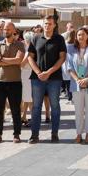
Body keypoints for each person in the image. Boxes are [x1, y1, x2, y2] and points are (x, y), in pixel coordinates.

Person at [27, 15, 67, 144]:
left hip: (54, 78)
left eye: (50, 24)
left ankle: (54, 134)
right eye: (45, 23)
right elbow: (30, 57)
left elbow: (62, 58)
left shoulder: (59, 39)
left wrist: (49, 72)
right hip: (37, 78)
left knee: (55, 106)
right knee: (36, 107)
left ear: (54, 25)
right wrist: (39, 72)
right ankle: (34, 135)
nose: (47, 26)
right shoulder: (36, 38)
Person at [0, 22, 25, 144]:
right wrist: (7, 61)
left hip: (15, 81)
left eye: (8, 29)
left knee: (15, 109)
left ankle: (16, 134)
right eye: (4, 29)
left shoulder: (20, 44)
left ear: (14, 30)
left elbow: (19, 60)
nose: (6, 31)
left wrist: (2, 59)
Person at [67, 27, 88, 144]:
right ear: (76, 37)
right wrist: (77, 80)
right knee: (78, 111)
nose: (81, 37)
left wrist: (87, 78)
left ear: (87, 36)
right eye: (79, 35)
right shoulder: (70, 49)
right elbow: (69, 67)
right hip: (76, 85)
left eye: (83, 34)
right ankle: (78, 133)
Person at [20, 30, 34, 127]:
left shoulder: (29, 50)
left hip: (27, 75)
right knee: (26, 98)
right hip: (27, 75)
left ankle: (33, 118)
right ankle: (24, 116)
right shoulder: (30, 49)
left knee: (29, 98)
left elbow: (22, 64)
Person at [61, 30, 76, 102]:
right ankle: (73, 97)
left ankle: (70, 98)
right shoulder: (76, 44)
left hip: (67, 64)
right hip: (73, 65)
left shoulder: (65, 45)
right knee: (73, 82)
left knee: (68, 83)